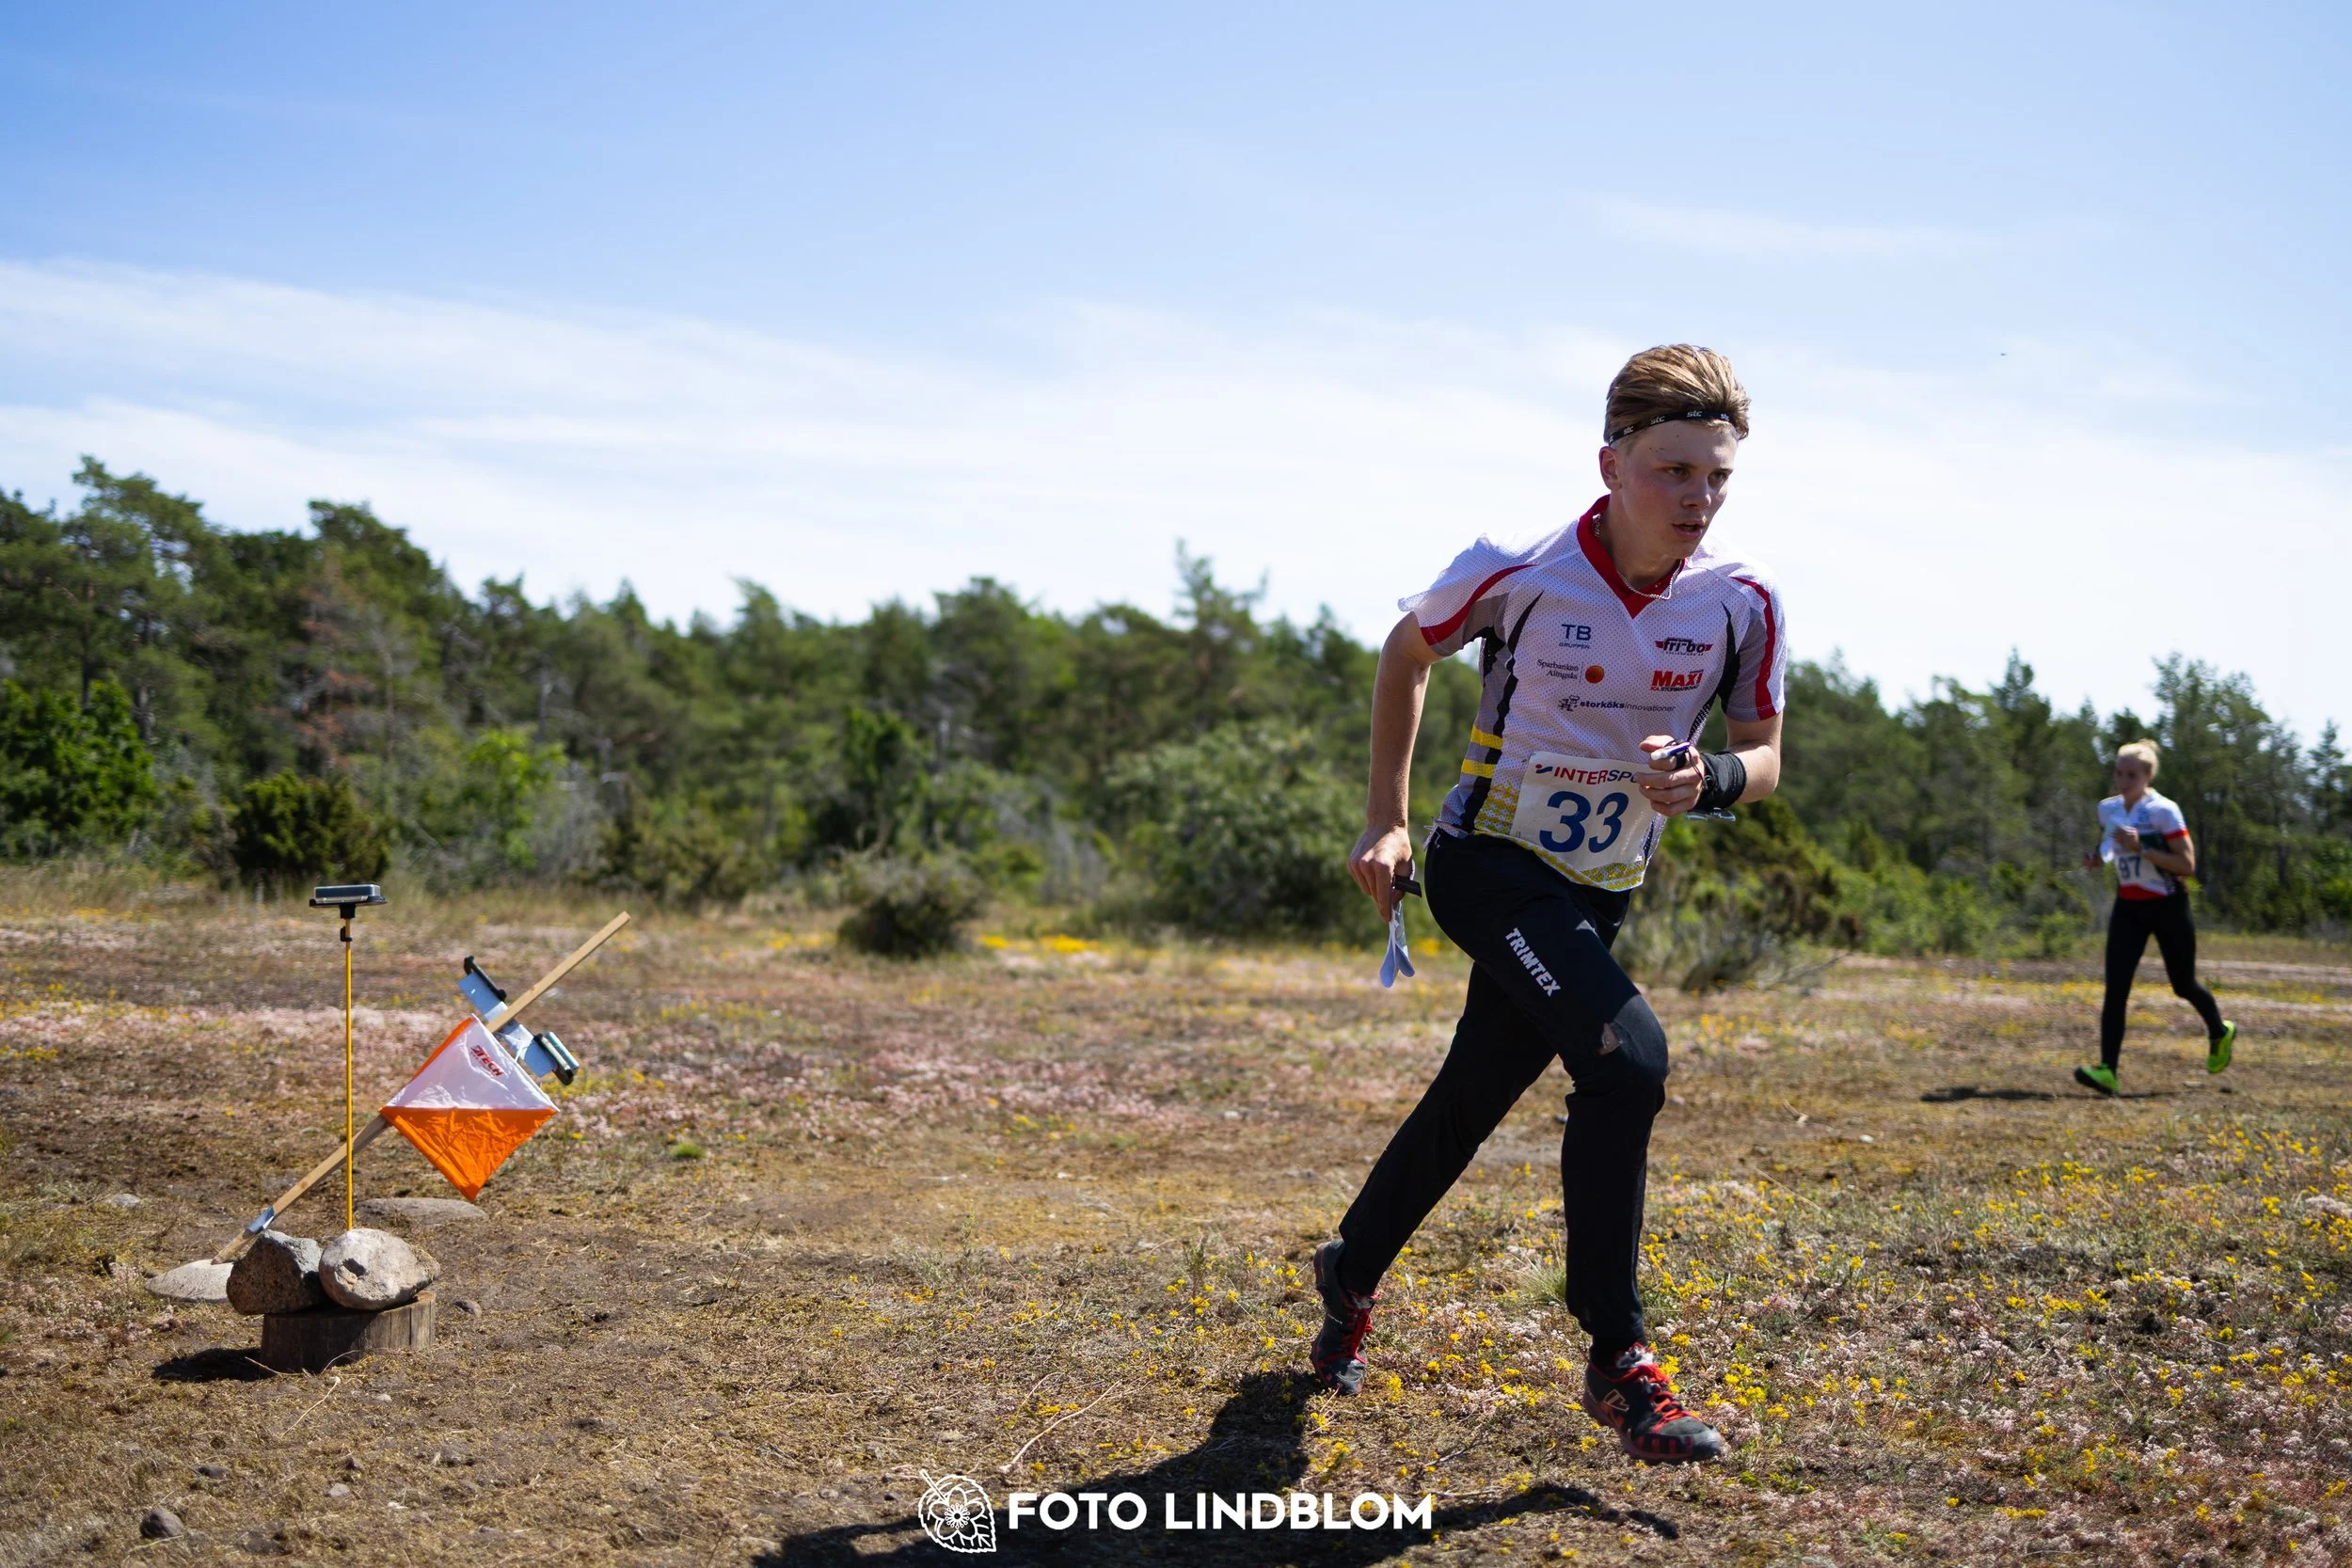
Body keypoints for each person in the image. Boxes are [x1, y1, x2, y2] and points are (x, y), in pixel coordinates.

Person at [1309, 344, 1787, 1465]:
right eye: (1674, 471)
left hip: (1599, 889)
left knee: (1471, 1096)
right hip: (1486, 863)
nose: (1698, 499)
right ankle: (1618, 1357)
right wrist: (1384, 817)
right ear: (1611, 464)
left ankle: (1349, 1267)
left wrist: (1713, 777)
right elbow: (1405, 652)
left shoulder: (1742, 599)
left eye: (1717, 477)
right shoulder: (1519, 566)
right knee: (1627, 1060)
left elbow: (1763, 754)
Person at [2074, 739, 2236, 1096]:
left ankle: (2220, 1030)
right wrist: (2096, 858)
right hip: (2128, 906)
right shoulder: (2108, 809)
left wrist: (2143, 848)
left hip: (2167, 906)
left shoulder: (2164, 811)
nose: (2123, 781)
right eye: (2119, 773)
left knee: (2183, 985)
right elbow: (2109, 847)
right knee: (2116, 988)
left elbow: (2187, 865)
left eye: (2131, 775)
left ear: (2148, 776)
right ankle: (2107, 1071)